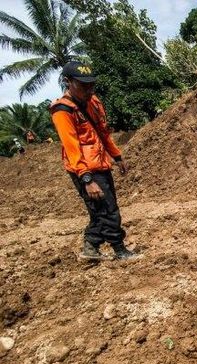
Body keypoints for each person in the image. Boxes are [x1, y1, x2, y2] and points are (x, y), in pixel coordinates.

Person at [49, 61, 140, 260]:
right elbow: (71, 146)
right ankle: (119, 250)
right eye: (83, 86)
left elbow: (103, 132)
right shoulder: (63, 110)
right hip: (84, 169)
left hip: (100, 163)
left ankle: (91, 247)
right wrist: (87, 179)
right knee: (108, 209)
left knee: (99, 209)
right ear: (68, 82)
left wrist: (117, 156)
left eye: (91, 85)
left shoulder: (93, 102)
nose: (89, 90)